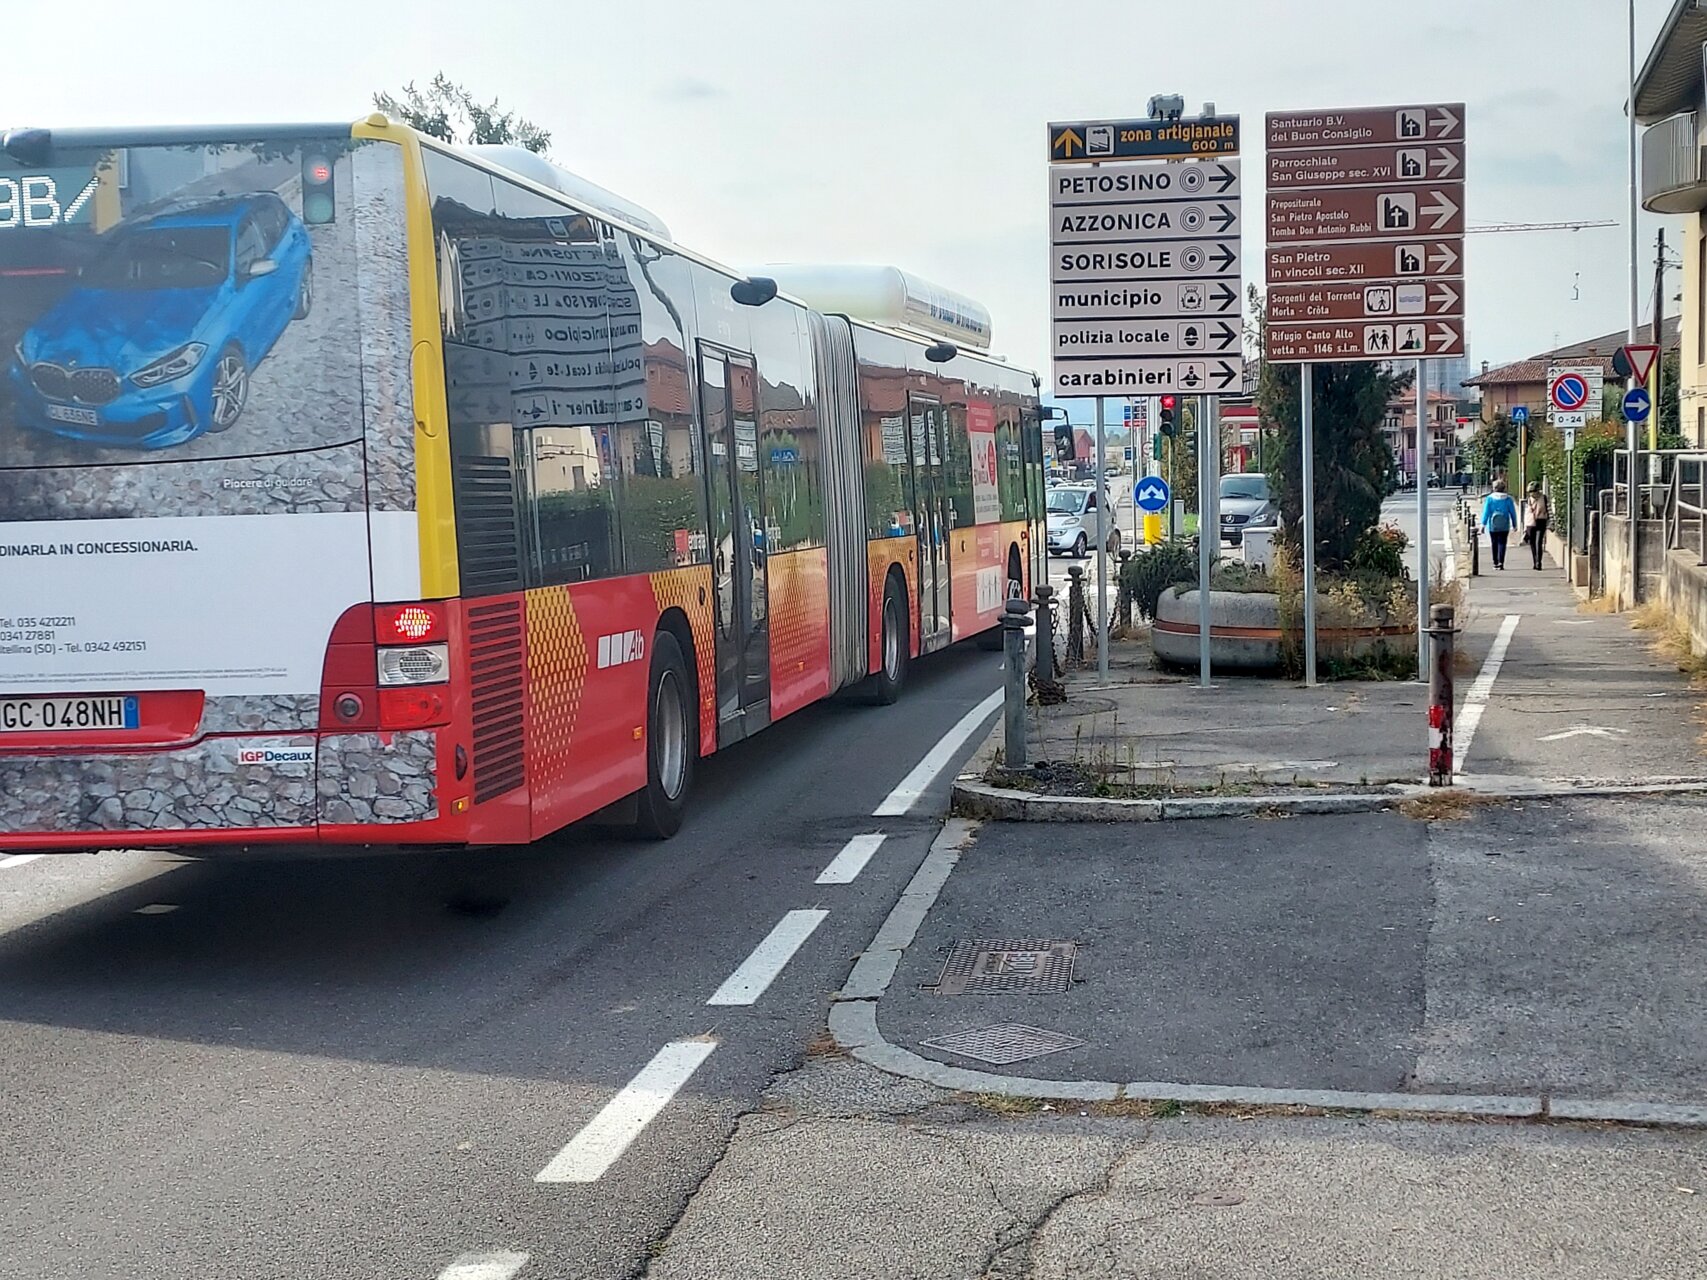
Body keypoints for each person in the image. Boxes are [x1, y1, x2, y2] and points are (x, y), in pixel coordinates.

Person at [1480, 478, 1520, 570]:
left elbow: (1486, 512)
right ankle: (1501, 562)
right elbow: (1512, 513)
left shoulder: (1490, 499)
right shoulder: (1508, 499)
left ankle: (1495, 562)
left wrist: (1483, 525)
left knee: (1494, 543)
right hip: (1504, 525)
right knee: (1502, 543)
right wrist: (1514, 524)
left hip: (1493, 525)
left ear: (1494, 488)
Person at [1524, 481, 1551, 570]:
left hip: (1541, 521)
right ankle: (1535, 561)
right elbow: (1526, 514)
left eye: (1533, 491)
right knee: (1532, 543)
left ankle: (1539, 562)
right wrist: (1525, 528)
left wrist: (1551, 522)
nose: (1532, 494)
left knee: (1538, 542)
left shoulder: (1544, 498)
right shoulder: (1528, 500)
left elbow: (1549, 510)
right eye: (1530, 492)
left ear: (1538, 491)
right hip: (1531, 523)